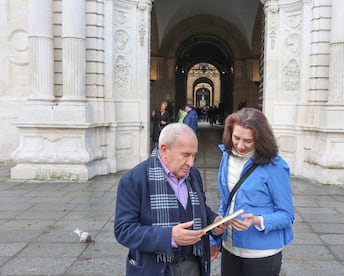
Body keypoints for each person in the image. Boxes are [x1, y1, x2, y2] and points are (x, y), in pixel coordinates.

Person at [114, 123, 227, 276]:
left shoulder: (194, 175)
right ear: (164, 150)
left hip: (193, 265)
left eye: (194, 155)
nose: (191, 163)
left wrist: (214, 221)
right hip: (154, 269)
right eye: (185, 155)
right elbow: (123, 230)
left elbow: (200, 208)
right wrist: (169, 237)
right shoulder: (134, 180)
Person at [210, 107, 294, 276]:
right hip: (229, 248)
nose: (240, 145)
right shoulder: (227, 156)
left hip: (262, 254)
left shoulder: (275, 166)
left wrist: (257, 220)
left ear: (261, 139)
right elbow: (226, 202)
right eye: (236, 138)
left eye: (248, 141)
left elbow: (287, 215)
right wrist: (215, 236)